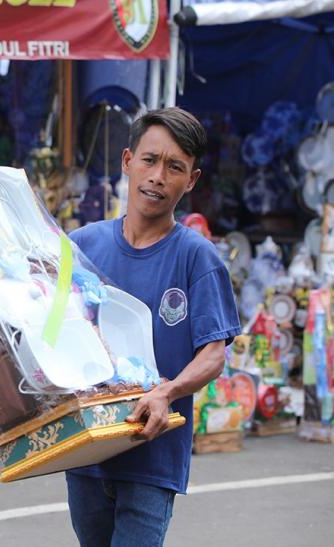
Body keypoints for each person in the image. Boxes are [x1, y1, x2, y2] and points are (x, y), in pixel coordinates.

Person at [66, 107, 241, 546]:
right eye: (149, 160)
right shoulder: (81, 246)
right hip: (85, 449)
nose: (158, 176)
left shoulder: (197, 258)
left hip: (152, 456)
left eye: (175, 167)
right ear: (127, 161)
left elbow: (214, 353)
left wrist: (166, 391)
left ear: (192, 180)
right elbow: (50, 333)